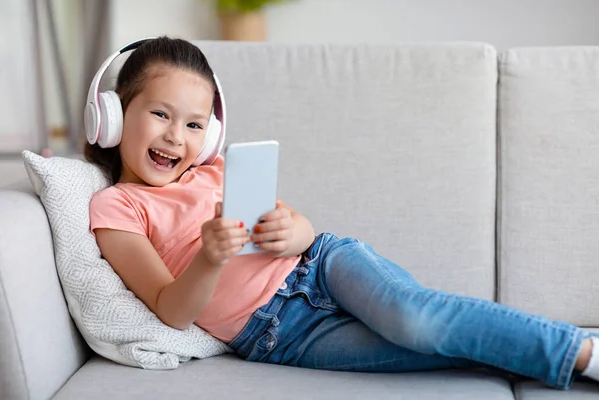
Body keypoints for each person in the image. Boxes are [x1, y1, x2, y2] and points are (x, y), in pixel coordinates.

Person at [86, 36, 598, 391]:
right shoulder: (117, 207)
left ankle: (585, 356)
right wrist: (209, 257)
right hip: (279, 334)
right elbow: (171, 310)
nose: (177, 136)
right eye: (160, 114)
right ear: (113, 115)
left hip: (326, 266)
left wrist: (293, 231)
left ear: (212, 134)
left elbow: (298, 229)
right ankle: (581, 347)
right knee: (433, 350)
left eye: (195, 124)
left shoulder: (217, 170)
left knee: (416, 319)